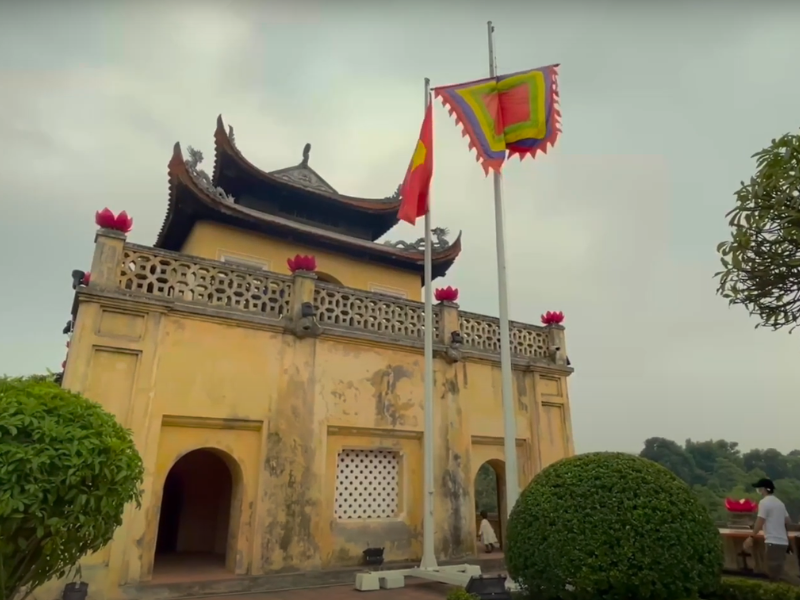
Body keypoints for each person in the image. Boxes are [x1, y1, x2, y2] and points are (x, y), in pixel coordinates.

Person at [744, 478, 800, 584]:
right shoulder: (780, 503)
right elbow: (788, 521)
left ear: (764, 489)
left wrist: (751, 537)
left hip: (773, 542)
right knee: (776, 572)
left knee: (776, 572)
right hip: (782, 542)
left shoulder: (764, 503)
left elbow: (760, 521)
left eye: (759, 488)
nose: (759, 491)